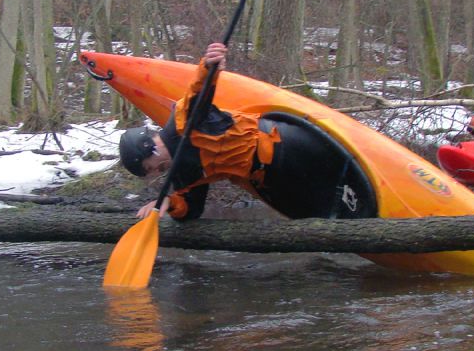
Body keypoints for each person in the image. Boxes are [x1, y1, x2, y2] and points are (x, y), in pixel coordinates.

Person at [118, 43, 376, 221]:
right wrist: (168, 203)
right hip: (271, 179)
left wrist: (208, 64)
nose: (154, 174)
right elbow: (192, 210)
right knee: (322, 211)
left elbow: (199, 91)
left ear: (147, 149)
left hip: (287, 147)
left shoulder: (183, 121)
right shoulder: (182, 173)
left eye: (149, 168)